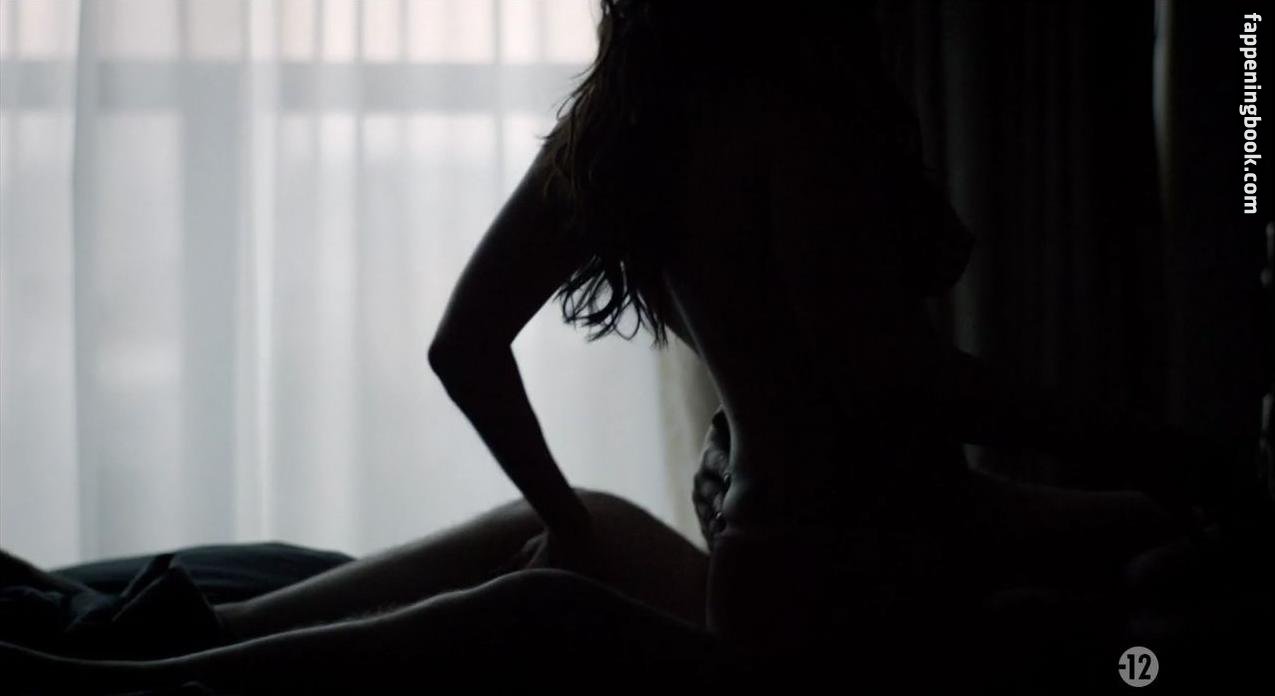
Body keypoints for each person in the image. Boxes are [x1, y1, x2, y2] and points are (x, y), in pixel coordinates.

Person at [0, 1, 1239, 692]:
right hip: (859, 594)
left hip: (777, 566)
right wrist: (1161, 451)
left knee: (571, 532)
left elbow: (463, 345)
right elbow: (895, 381)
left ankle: (183, 646)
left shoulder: (625, 123)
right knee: (1145, 591)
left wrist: (570, 516)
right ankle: (145, 678)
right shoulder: (797, 116)